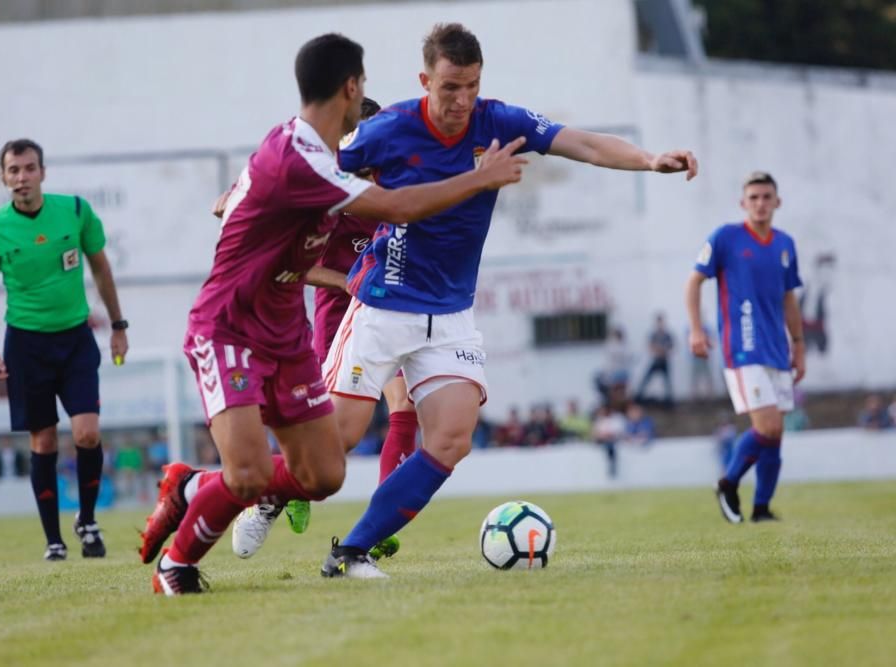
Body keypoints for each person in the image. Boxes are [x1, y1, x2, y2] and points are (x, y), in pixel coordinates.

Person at [137, 32, 529, 595]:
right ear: (351, 89)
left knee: (323, 474)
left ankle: (196, 487)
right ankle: (178, 562)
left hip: (287, 329)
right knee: (248, 475)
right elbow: (395, 206)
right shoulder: (305, 161)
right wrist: (481, 177)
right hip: (233, 326)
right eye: (364, 86)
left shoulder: (325, 159)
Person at [299, 22, 694, 578]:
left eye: (472, 87)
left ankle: (350, 552)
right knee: (333, 445)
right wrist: (248, 199)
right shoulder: (387, 130)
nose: (462, 101)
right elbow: (307, 173)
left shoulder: (498, 121)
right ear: (424, 81)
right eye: (450, 88)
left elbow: (580, 142)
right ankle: (241, 491)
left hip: (451, 313)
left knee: (451, 438)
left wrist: (649, 160)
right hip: (384, 304)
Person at [229, 97, 415, 560]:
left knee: (404, 403)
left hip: (395, 312)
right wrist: (350, 283)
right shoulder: (323, 194)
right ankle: (271, 501)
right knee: (328, 436)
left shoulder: (398, 186)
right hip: (341, 316)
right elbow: (287, 260)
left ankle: (381, 520)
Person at [0, 138, 128, 560]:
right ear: (4, 177)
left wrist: (118, 325)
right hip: (25, 344)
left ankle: (88, 521)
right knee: (43, 442)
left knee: (88, 432)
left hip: (76, 338)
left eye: (28, 168)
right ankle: (53, 539)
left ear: (43, 172)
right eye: (13, 170)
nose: (21, 177)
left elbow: (101, 267)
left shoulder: (76, 212)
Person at [687, 171, 804, 524]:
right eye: (753, 197)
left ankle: (762, 508)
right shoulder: (726, 238)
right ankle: (727, 482)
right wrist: (696, 329)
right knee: (766, 426)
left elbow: (789, 298)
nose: (760, 203)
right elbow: (693, 282)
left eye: (767, 197)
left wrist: (798, 344)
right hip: (743, 348)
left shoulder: (785, 244)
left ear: (777, 202)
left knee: (776, 433)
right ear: (743, 203)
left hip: (776, 350)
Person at [635, 312, 675, 407]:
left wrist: (662, 350)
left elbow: (671, 347)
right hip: (656, 361)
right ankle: (638, 397)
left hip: (664, 361)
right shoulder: (653, 334)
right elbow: (650, 347)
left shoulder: (667, 334)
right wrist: (660, 349)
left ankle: (669, 401)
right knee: (646, 379)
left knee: (667, 382)